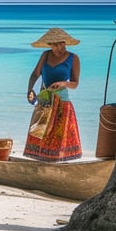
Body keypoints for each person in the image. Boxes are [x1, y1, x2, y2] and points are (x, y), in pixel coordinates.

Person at [24, 28, 82, 162]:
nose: (59, 47)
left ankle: (59, 164)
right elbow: (35, 74)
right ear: (49, 45)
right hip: (45, 101)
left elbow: (75, 83)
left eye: (61, 44)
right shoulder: (45, 55)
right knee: (41, 133)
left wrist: (63, 83)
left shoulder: (73, 58)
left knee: (59, 137)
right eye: (54, 45)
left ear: (65, 43)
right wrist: (30, 90)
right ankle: (41, 165)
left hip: (63, 102)